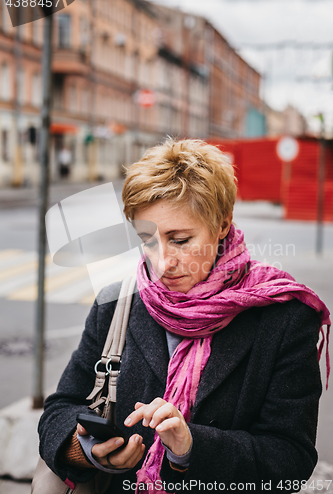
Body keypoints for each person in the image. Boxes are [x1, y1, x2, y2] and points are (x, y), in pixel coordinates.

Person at [38, 138, 330, 494]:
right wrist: (89, 450)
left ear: (222, 226)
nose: (162, 263)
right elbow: (60, 407)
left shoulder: (283, 317)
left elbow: (292, 458)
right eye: (147, 240)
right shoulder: (116, 304)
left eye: (180, 240)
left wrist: (191, 447)